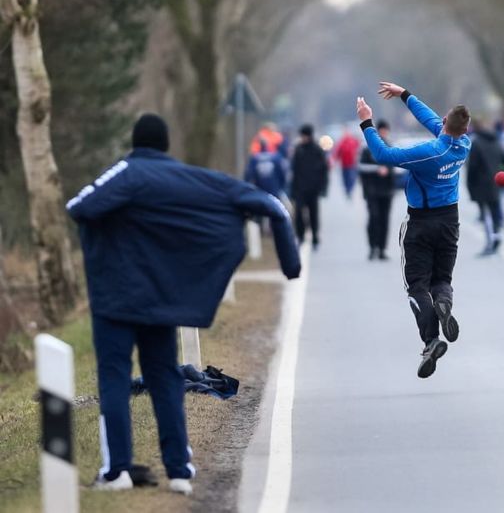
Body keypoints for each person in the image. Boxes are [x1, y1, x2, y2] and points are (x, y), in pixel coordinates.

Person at [67, 114, 300, 495]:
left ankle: (117, 473)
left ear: (135, 143)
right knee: (165, 378)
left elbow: (79, 206)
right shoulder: (192, 178)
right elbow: (269, 203)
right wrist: (291, 264)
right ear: (166, 145)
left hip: (115, 300)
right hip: (162, 299)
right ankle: (179, 471)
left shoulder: (126, 172)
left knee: (114, 377)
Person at [356, 82, 471, 378]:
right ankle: (444, 302)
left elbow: (383, 155)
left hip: (421, 222)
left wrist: (367, 122)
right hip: (450, 221)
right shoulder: (463, 145)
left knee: (416, 286)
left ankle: (431, 340)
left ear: (446, 123)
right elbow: (434, 120)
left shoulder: (430, 153)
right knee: (442, 278)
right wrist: (405, 95)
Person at [467, 119, 504, 255]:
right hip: (497, 183)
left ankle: (490, 241)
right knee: (495, 211)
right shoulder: (497, 141)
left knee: (485, 214)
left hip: (481, 184)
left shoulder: (476, 143)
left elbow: (472, 167)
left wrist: (470, 185)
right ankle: (497, 234)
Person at [359, 120, 397, 261]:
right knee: (373, 218)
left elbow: (395, 167)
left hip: (387, 190)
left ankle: (382, 249)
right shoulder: (367, 149)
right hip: (372, 190)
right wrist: (376, 169)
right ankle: (372, 247)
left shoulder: (390, 147)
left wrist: (390, 171)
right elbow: (361, 167)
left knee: (385, 220)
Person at [290, 124, 328, 250]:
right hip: (300, 188)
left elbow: (324, 170)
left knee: (313, 214)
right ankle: (300, 236)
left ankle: (315, 237)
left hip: (314, 188)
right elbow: (294, 170)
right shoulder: (298, 149)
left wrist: (323, 187)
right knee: (299, 214)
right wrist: (293, 188)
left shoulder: (317, 150)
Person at [334, 132, 361, 199]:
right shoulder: (342, 143)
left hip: (352, 164)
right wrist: (335, 160)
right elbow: (338, 152)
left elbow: (358, 150)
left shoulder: (353, 141)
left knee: (351, 178)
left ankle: (349, 189)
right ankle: (348, 190)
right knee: (346, 178)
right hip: (344, 164)